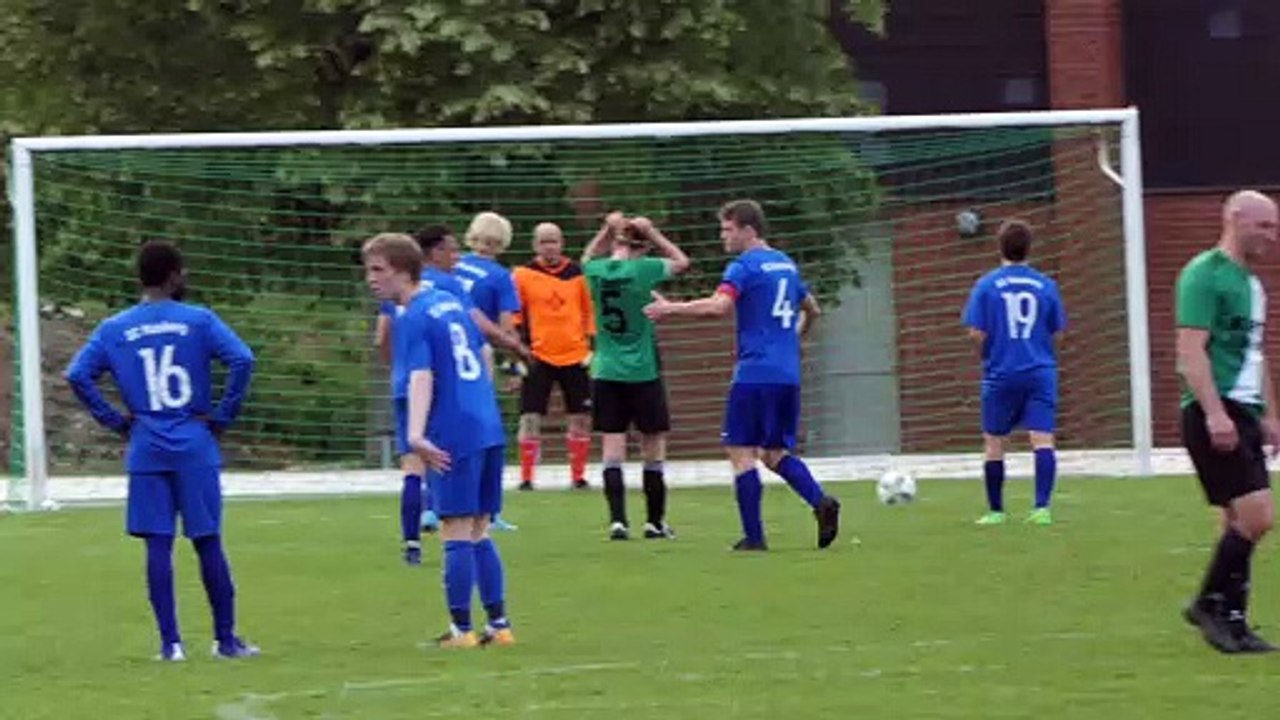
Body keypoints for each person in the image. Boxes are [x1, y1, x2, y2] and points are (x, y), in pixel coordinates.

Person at [64, 240, 258, 661]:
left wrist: (115, 420)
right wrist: (223, 415)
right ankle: (225, 640)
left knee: (157, 545)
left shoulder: (115, 328)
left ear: (140, 277)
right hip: (194, 444)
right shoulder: (199, 320)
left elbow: (78, 374)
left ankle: (170, 644)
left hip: (147, 446)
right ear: (174, 275)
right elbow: (242, 359)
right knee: (208, 541)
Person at [644, 199, 840, 551]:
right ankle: (820, 501)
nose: (723, 236)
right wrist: (794, 338)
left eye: (728, 229)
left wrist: (670, 308)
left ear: (748, 230)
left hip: (754, 373)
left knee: (740, 450)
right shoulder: (786, 264)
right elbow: (813, 309)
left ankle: (754, 538)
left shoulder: (743, 267)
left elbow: (719, 307)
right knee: (774, 452)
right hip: (787, 374)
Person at [363, 232, 514, 648]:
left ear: (404, 270)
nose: (371, 279)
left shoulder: (411, 315)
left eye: (378, 270)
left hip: (453, 428)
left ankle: (461, 630)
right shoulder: (449, 300)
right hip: (486, 422)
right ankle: (499, 627)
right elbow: (483, 354)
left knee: (455, 528)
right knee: (481, 528)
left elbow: (421, 375)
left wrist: (414, 434)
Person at [373, 225, 527, 550]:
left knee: (412, 465)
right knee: (448, 461)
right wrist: (516, 349)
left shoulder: (396, 289)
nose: (458, 256)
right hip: (444, 391)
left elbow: (381, 337)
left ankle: (412, 539)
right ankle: (471, 522)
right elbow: (480, 332)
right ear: (433, 253)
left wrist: (399, 366)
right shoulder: (447, 288)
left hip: (404, 383)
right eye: (451, 249)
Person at [1176, 189, 1278, 654]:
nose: (1272, 238)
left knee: (1238, 521)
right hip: (1215, 410)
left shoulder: (1253, 286)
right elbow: (1190, 350)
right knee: (1258, 517)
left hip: (1246, 412)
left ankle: (1233, 621)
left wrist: (1271, 413)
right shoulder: (1204, 275)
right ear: (1236, 219)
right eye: (1265, 226)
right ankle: (1206, 604)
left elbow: (1255, 355)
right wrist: (1215, 413)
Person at [581, 212, 689, 540]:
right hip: (642, 370)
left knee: (612, 449)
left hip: (607, 370)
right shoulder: (643, 270)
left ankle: (617, 521)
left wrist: (606, 228)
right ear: (642, 249)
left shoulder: (597, 271)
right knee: (652, 447)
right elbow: (681, 261)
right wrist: (652, 232)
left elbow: (586, 256)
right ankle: (654, 522)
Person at [961, 220, 1067, 526]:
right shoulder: (1046, 285)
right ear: (1029, 248)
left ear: (1000, 247)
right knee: (1042, 439)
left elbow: (976, 332)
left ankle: (996, 511)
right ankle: (1041, 509)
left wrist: (989, 353)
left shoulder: (986, 285)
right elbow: (1058, 332)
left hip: (1001, 371)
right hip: (1039, 371)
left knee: (994, 442)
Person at [511, 222, 596, 491]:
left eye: (554, 241)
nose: (550, 247)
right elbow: (515, 317)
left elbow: (589, 313)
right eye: (544, 241)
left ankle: (578, 476)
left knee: (580, 416)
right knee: (530, 416)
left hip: (576, 355)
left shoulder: (578, 274)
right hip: (537, 355)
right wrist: (516, 355)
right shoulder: (522, 275)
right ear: (535, 245)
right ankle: (526, 478)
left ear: (562, 243)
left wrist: (592, 348)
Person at [453, 212, 523, 529]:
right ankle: (488, 511)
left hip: (443, 354)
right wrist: (514, 366)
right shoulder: (499, 276)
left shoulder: (451, 266)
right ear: (503, 241)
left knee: (445, 429)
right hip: (476, 357)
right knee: (485, 431)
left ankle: (436, 504)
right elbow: (507, 328)